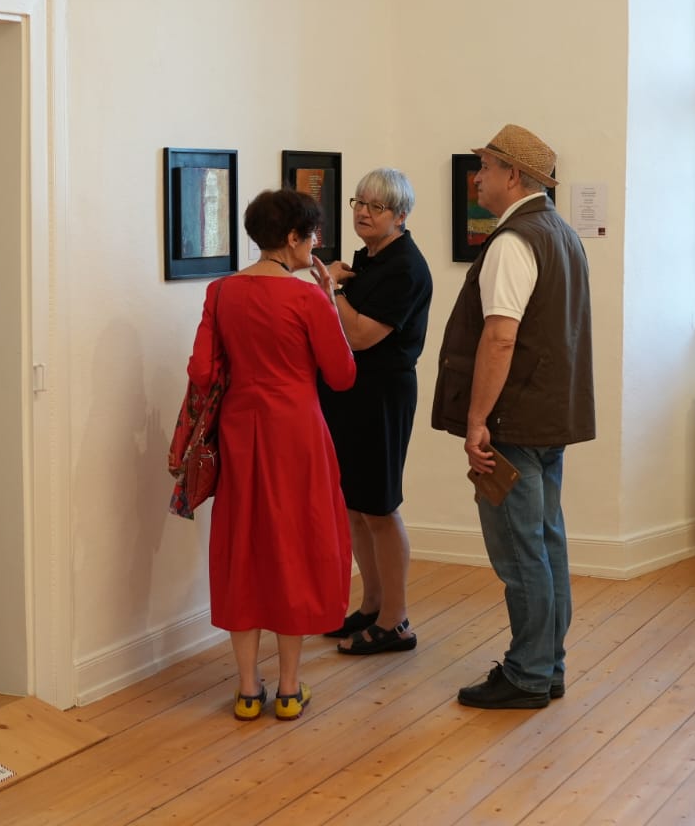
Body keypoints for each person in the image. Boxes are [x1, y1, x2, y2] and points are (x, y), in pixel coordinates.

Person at [432, 124, 594, 710]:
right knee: (546, 542)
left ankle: (527, 673)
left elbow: (500, 338)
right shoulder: (561, 233)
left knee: (520, 550)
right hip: (548, 417)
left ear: (514, 176)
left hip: (513, 422)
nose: (478, 177)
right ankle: (547, 665)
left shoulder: (513, 241)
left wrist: (478, 420)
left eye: (486, 167)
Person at [188, 188, 355, 721]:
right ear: (291, 237)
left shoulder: (221, 292)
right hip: (297, 433)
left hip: (241, 430)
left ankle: (246, 689)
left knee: (243, 546)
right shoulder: (307, 299)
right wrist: (329, 300)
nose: (315, 245)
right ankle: (288, 688)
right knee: (295, 546)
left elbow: (201, 371)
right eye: (311, 235)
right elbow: (342, 375)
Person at [319, 168, 433, 655]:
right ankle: (371, 606)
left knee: (381, 508)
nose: (363, 213)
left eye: (376, 207)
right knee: (356, 506)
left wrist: (332, 289)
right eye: (359, 203)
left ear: (400, 215)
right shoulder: (368, 259)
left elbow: (361, 335)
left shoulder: (404, 267)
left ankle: (396, 622)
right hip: (351, 394)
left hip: (382, 396)